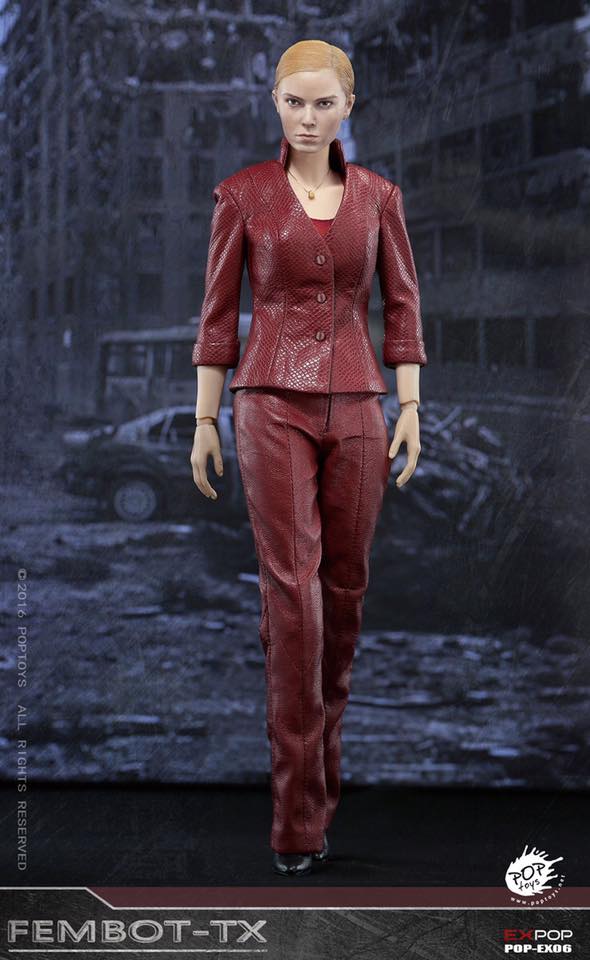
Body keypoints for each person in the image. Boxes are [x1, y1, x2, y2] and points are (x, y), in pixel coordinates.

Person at [190, 39, 427, 877]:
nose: (308, 117)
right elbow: (218, 314)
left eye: (324, 102)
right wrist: (204, 418)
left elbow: (402, 304)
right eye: (294, 101)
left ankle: (321, 783)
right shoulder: (244, 195)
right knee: (292, 599)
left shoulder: (379, 198)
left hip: (360, 405)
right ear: (275, 104)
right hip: (267, 403)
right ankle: (295, 820)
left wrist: (410, 406)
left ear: (348, 107)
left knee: (345, 592)